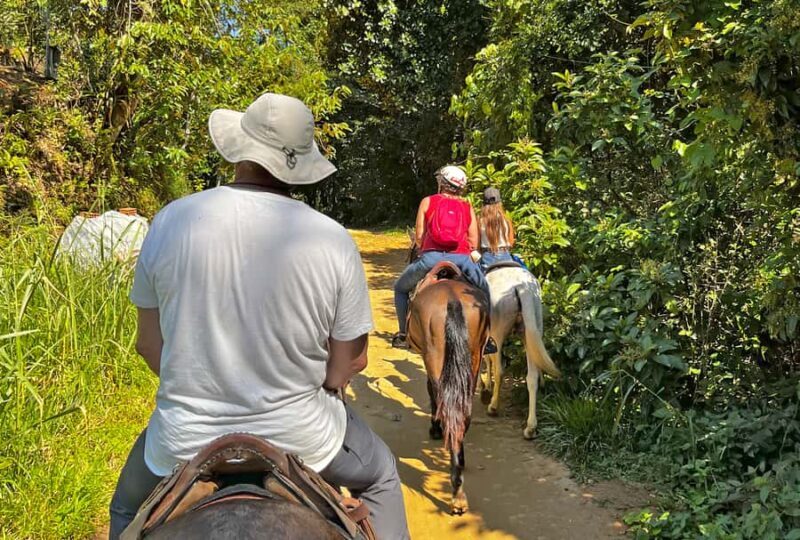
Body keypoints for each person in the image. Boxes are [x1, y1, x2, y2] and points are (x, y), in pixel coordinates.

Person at [109, 93, 410, 540]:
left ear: (240, 151)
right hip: (305, 437)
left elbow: (149, 345)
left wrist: (197, 381)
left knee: (125, 509)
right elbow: (352, 362)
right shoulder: (331, 238)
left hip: (184, 438)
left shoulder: (171, 221)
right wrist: (322, 383)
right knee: (382, 475)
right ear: (299, 165)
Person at [391, 166, 490, 349]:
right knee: (485, 289)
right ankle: (488, 337)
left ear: (442, 183)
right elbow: (473, 242)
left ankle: (404, 333)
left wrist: (427, 247)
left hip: (430, 259)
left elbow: (419, 237)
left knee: (400, 289)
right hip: (462, 259)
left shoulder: (427, 202)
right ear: (460, 187)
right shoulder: (467, 207)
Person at [478, 187, 516, 271]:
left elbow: (477, 244)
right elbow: (511, 242)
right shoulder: (506, 220)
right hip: (505, 255)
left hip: (487, 257)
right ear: (499, 203)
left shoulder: (480, 221)